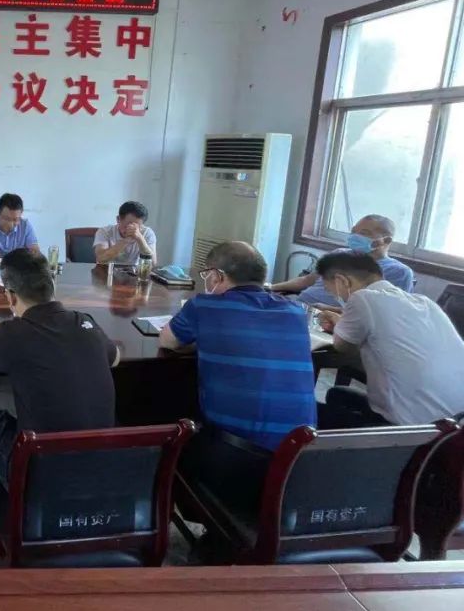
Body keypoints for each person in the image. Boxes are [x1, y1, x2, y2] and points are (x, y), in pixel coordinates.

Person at [0, 248, 118, 487]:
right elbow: (114, 358)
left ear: (10, 297)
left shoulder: (13, 333)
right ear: (52, 285)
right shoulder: (85, 322)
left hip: (35, 473)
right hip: (100, 467)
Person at [160, 242, 316, 519]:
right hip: (300, 456)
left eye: (207, 274)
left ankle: (206, 517)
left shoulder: (204, 306)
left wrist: (205, 340)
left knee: (169, 432)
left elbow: (168, 341)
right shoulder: (295, 312)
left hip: (237, 456)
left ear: (217, 276)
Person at [314, 251, 464, 427]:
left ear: (342, 281)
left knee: (309, 416)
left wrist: (338, 322)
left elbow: (342, 346)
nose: (333, 296)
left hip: (412, 428)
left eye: (329, 290)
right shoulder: (426, 303)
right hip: (455, 422)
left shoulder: (363, 298)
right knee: (338, 394)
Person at [271, 214, 415, 308]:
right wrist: (269, 288)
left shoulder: (398, 272)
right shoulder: (339, 253)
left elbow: (380, 313)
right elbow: (307, 280)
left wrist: (325, 309)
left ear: (386, 240)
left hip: (332, 320)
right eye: (353, 231)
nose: (355, 236)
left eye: (363, 233)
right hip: (299, 305)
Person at [94, 201, 157, 266]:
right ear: (118, 219)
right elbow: (101, 258)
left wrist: (140, 238)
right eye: (129, 225)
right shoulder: (104, 232)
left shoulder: (147, 233)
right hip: (106, 270)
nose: (134, 229)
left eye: (138, 226)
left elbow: (153, 263)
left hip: (133, 271)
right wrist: (126, 240)